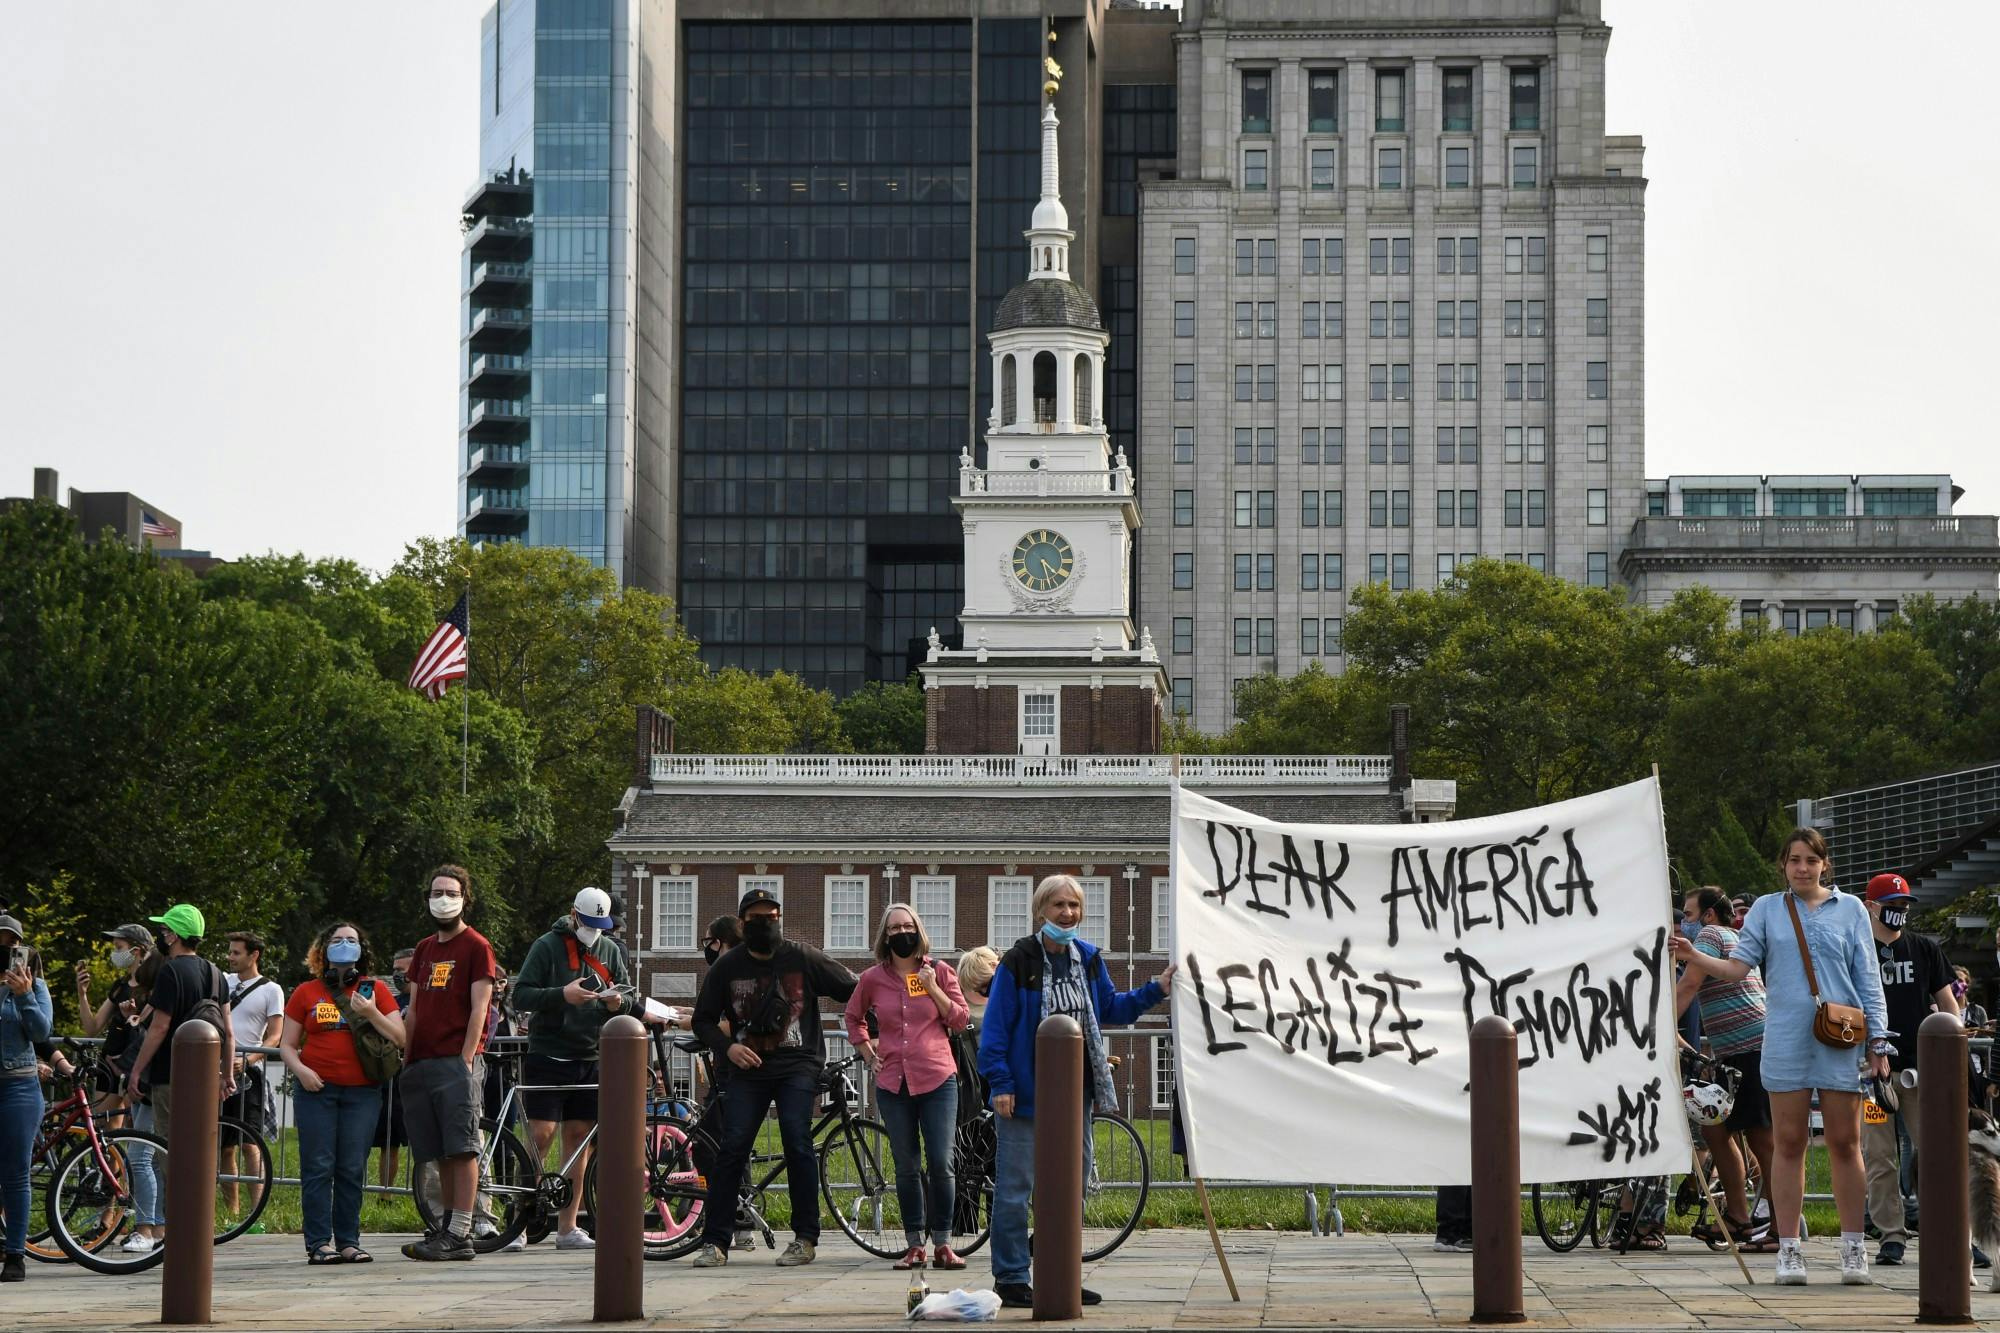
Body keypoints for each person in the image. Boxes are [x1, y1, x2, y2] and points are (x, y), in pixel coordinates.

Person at [1672, 828, 1888, 1286]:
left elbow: (1868, 978)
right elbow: (1738, 967)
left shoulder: (1849, 909)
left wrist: (1879, 1042)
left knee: (1845, 1144)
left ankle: (1854, 1248)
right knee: (1787, 1145)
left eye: (1811, 860)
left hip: (1840, 1036)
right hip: (1785, 1037)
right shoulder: (1769, 908)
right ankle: (1788, 1248)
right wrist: (1695, 955)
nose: (1803, 868)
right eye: (1794, 860)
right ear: (1783, 865)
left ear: (1824, 864)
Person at [979, 874, 1174, 1309]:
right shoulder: (1018, 961)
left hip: (1074, 1098)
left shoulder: (1087, 959)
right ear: (1041, 910)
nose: (1068, 913)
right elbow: (995, 1030)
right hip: (1024, 1097)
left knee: (1071, 1187)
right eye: (1059, 905)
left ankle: (1057, 1269)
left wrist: (1156, 990)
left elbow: (1110, 1009)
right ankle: (1010, 1278)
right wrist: (1001, 1084)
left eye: (1074, 906)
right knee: (1014, 1189)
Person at [688, 887, 858, 1268]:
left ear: (779, 919)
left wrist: (872, 1025)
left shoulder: (802, 957)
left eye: (771, 916)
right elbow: (702, 1020)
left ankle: (804, 1237)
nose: (765, 923)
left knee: (797, 1139)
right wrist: (727, 1047)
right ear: (744, 923)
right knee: (732, 1147)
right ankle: (715, 1241)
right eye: (757, 918)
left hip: (798, 1064)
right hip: (748, 1068)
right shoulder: (727, 968)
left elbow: (854, 988)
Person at [509, 886, 639, 1252]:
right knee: (540, 1136)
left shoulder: (610, 950)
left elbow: (628, 994)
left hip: (591, 1056)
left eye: (601, 924)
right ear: (573, 914)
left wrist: (616, 1003)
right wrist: (560, 996)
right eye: (589, 923)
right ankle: (520, 1222)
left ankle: (568, 1226)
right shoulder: (546, 946)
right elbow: (521, 994)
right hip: (549, 1054)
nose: (594, 931)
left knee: (579, 1140)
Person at [846, 903, 970, 1270]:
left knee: (941, 1162)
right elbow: (853, 1017)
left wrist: (934, 990)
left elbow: (961, 1020)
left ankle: (944, 1244)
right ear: (885, 936)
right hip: (892, 1082)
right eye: (894, 928)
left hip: (937, 1077)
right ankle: (915, 1243)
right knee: (906, 1165)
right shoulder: (872, 978)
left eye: (908, 926)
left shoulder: (940, 971)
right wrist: (868, 1053)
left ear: (919, 930)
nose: (902, 933)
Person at [280, 923, 406, 1265]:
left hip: (362, 1093)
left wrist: (371, 1012)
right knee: (318, 1166)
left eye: (351, 940)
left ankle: (349, 1240)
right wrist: (302, 1072)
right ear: (323, 950)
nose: (345, 945)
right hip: (316, 1092)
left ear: (362, 950)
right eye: (337, 940)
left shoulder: (376, 989)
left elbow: (401, 1037)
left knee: (352, 1167)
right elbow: (287, 1045)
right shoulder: (306, 992)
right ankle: (319, 1242)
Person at [1857, 872, 1958, 1266]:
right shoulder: (1857, 950)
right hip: (1873, 1076)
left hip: (1918, 1072)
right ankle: (1891, 1234)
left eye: (1904, 905)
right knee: (1879, 1156)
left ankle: (1948, 1229)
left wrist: (1952, 1055)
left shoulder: (1924, 949)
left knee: (1933, 1151)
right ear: (1871, 907)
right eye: (1891, 905)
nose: (1899, 912)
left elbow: (1948, 1005)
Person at [398, 864, 497, 1262]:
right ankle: (447, 1228)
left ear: (464, 898)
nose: (443, 899)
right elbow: (415, 1008)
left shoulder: (476, 946)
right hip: (422, 1060)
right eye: (436, 892)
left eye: (450, 892)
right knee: (439, 1150)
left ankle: (461, 1231)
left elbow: (480, 1007)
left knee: (463, 1148)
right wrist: (407, 1056)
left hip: (456, 1061)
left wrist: (466, 1058)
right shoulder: (423, 949)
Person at [1675, 887, 1777, 1249]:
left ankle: (1780, 1228)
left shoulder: (1710, 935)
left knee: (1762, 1140)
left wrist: (1653, 1030)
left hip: (1751, 1048)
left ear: (1708, 915)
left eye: (1687, 915)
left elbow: (1688, 986)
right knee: (1716, 1129)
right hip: (1732, 1052)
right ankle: (1737, 1217)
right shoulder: (1733, 936)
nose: (1682, 924)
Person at [124, 904, 236, 1149]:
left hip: (170, 1076)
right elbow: (228, 1032)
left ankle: (173, 1190)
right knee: (197, 1149)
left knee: (171, 1151)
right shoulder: (217, 974)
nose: (162, 936)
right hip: (205, 1076)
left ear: (174, 935)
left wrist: (136, 1071)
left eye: (164, 930)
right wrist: (226, 1075)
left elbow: (159, 1028)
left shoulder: (170, 972)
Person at [0, 913, 53, 1283]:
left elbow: (40, 1032)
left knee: (16, 1173)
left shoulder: (34, 988)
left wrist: (24, 996)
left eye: (11, 944)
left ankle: (15, 1254)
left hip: (18, 1086)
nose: (5, 949)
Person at [222, 930, 285, 1218]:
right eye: (230, 952)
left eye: (236, 952)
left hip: (250, 1075)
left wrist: (247, 1060)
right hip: (218, 1073)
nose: (230, 957)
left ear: (253, 955)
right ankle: (232, 1213)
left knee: (250, 1143)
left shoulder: (271, 990)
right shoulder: (223, 982)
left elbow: (274, 1037)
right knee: (224, 1147)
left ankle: (255, 1214)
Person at [77, 922, 154, 1116]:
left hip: (138, 1065)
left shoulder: (156, 986)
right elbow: (92, 1028)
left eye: (119, 948)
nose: (114, 953)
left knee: (135, 1130)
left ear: (137, 950)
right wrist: (82, 995)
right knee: (103, 1127)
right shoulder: (120, 985)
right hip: (110, 1064)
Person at [375, 948, 416, 1194]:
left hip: (418, 1075)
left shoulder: (427, 1000)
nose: (398, 976)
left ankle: (423, 1194)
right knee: (388, 1142)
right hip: (391, 1077)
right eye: (395, 971)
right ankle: (385, 1193)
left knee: (424, 1141)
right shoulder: (390, 1003)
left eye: (403, 970)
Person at [956, 946, 998, 1037]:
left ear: (995, 967)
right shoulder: (955, 1003)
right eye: (976, 988)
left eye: (985, 984)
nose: (984, 991)